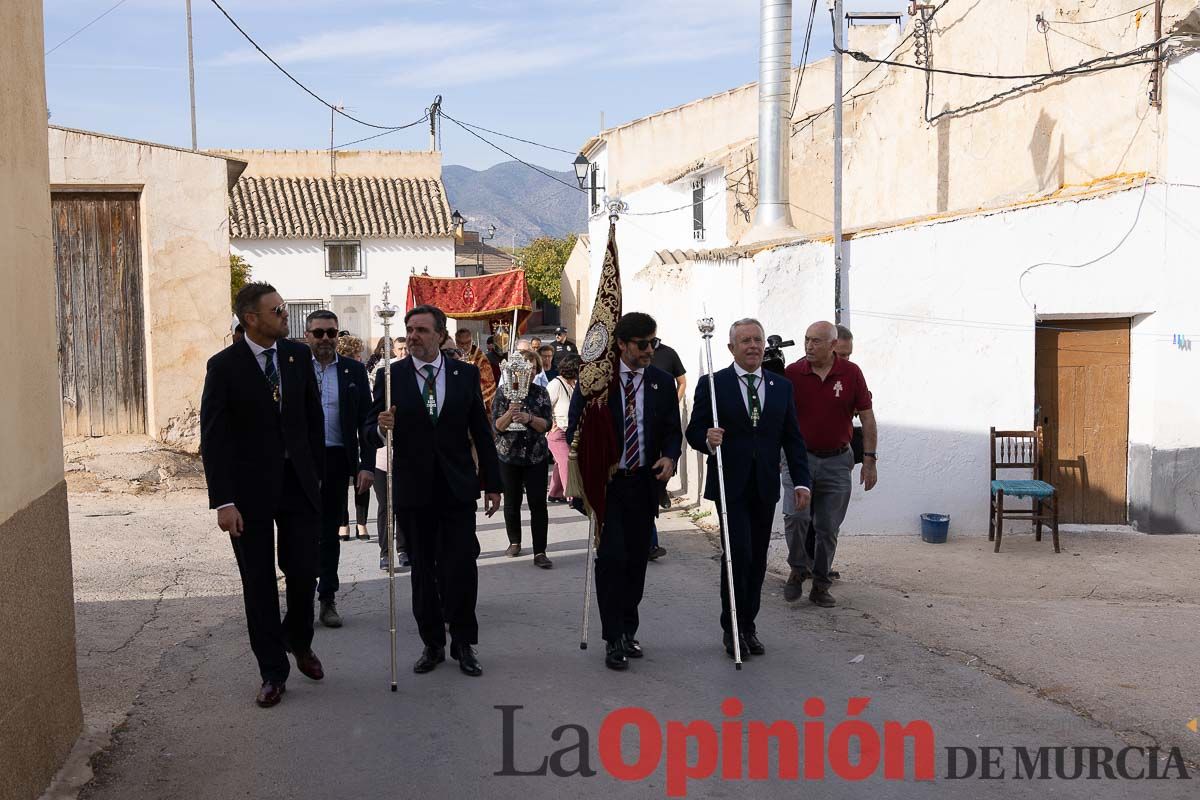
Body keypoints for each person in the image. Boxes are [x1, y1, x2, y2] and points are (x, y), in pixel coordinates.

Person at [200, 282, 326, 708]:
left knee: (305, 571)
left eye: (284, 309)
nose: (284, 316)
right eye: (276, 311)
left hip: (298, 487)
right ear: (251, 318)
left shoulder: (297, 356)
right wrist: (223, 502)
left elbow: (312, 421)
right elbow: (214, 440)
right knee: (258, 583)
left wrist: (318, 477)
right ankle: (272, 671)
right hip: (248, 495)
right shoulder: (224, 367)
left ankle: (298, 638)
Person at [369, 304, 502, 677]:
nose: (413, 336)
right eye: (410, 329)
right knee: (423, 570)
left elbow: (480, 429)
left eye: (422, 330)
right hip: (413, 489)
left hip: (456, 486)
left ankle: (464, 642)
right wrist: (382, 426)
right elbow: (369, 427)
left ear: (441, 335)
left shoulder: (464, 374)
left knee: (460, 565)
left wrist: (493, 483)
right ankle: (432, 643)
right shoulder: (391, 376)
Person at [687, 319, 812, 659]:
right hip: (730, 484)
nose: (753, 346)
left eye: (757, 339)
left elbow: (793, 438)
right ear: (731, 348)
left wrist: (801, 480)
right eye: (745, 341)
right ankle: (732, 629)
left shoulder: (780, 386)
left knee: (756, 560)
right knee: (737, 555)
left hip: (765, 485)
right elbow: (694, 431)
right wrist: (707, 439)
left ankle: (749, 625)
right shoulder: (713, 385)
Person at [567, 312, 682, 672]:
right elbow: (576, 429)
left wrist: (670, 456)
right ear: (621, 345)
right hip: (609, 484)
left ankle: (628, 629)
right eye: (642, 344)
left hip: (644, 484)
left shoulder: (661, 383)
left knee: (635, 562)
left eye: (654, 342)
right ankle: (612, 636)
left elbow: (671, 430)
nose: (650, 350)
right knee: (612, 559)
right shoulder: (597, 383)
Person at [781, 321, 878, 608]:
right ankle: (798, 569)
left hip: (837, 460)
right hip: (799, 459)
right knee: (795, 517)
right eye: (806, 340)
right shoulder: (792, 373)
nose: (809, 346)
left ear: (833, 345)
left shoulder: (851, 373)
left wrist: (869, 460)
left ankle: (821, 583)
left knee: (827, 526)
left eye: (816, 341)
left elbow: (868, 418)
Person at [303, 312, 375, 629]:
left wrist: (366, 465)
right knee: (301, 532)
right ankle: (300, 597)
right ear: (307, 335)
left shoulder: (353, 371)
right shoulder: (294, 370)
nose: (325, 339)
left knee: (330, 532)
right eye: (318, 333)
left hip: (335, 459)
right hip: (301, 463)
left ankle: (327, 597)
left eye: (331, 333)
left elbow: (366, 421)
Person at [493, 350, 554, 568]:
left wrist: (528, 418)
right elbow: (497, 427)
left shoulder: (541, 393)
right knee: (512, 502)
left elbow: (546, 424)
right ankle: (514, 541)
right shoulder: (503, 393)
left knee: (538, 503)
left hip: (535, 456)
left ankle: (540, 551)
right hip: (508, 455)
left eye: (531, 370)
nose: (524, 374)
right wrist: (511, 412)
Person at [647, 340, 689, 560]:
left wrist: (674, 400)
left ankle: (651, 544)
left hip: (658, 437)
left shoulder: (668, 355)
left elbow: (682, 381)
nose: (648, 350)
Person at [336, 333, 371, 543]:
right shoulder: (342, 373)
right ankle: (342, 523)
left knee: (362, 481)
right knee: (340, 483)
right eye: (357, 354)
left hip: (360, 435)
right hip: (343, 437)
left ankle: (361, 522)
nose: (360, 358)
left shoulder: (359, 372)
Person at [546, 354, 579, 505]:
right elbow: (544, 406)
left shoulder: (574, 384)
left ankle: (555, 492)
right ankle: (571, 495)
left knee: (561, 462)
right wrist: (550, 423)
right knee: (567, 462)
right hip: (558, 432)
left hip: (571, 432)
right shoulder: (556, 384)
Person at [456, 328, 498, 409]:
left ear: (472, 341)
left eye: (468, 343)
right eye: (461, 343)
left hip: (476, 400)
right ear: (456, 342)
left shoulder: (481, 359)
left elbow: (487, 382)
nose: (465, 347)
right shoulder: (453, 355)